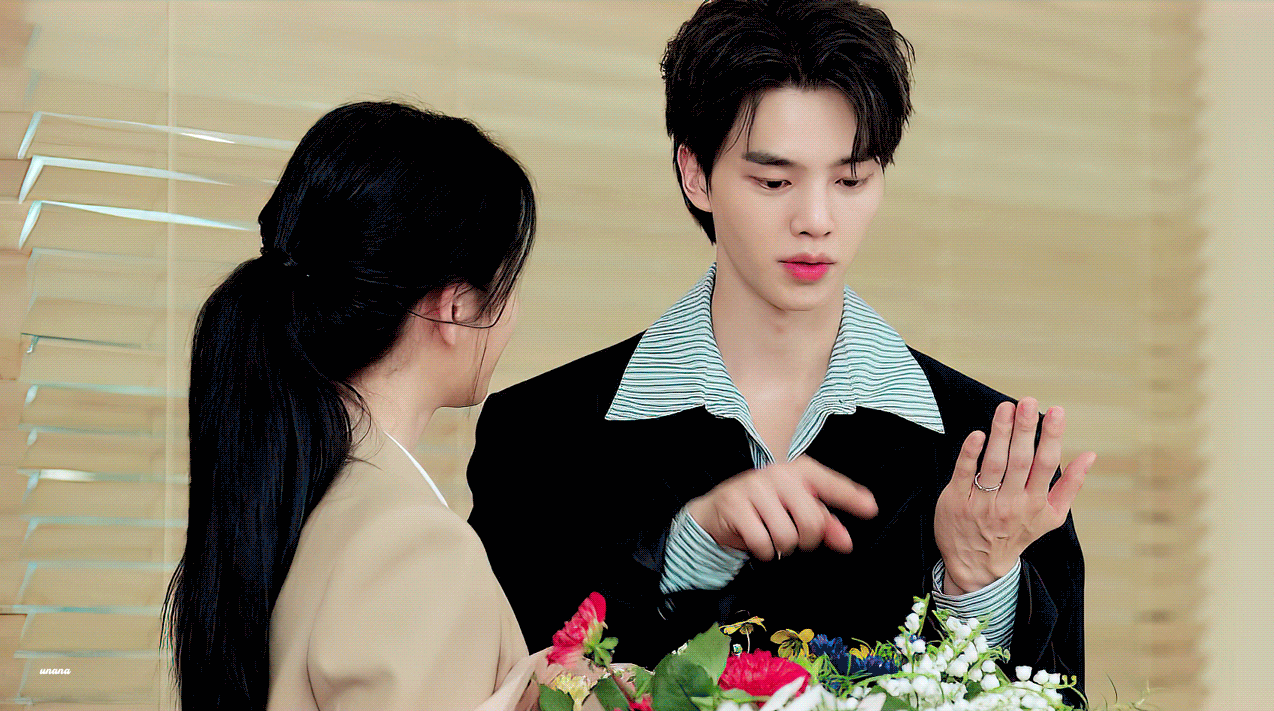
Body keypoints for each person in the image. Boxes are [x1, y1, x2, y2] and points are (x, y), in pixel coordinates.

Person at [467, 0, 1093, 705]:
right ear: (695, 173)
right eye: (774, 181)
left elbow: (1055, 695)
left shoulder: (993, 457)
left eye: (850, 180)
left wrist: (976, 584)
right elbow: (514, 686)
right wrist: (690, 550)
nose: (816, 220)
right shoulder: (539, 434)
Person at [164, 101, 543, 711]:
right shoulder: (412, 545)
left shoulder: (297, 495)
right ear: (453, 309)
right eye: (509, 283)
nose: (514, 312)